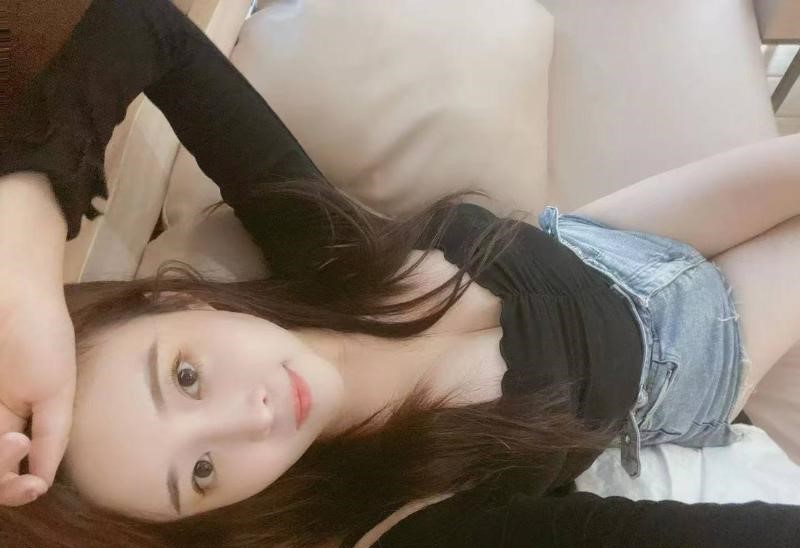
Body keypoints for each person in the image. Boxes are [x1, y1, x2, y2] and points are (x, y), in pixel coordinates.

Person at [1, 1, 799, 547]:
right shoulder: (412, 519)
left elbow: (143, 26)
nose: (252, 417)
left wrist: (24, 245)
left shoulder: (314, 254)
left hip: (596, 237)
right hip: (688, 357)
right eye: (203, 473)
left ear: (174, 298)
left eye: (185, 377)